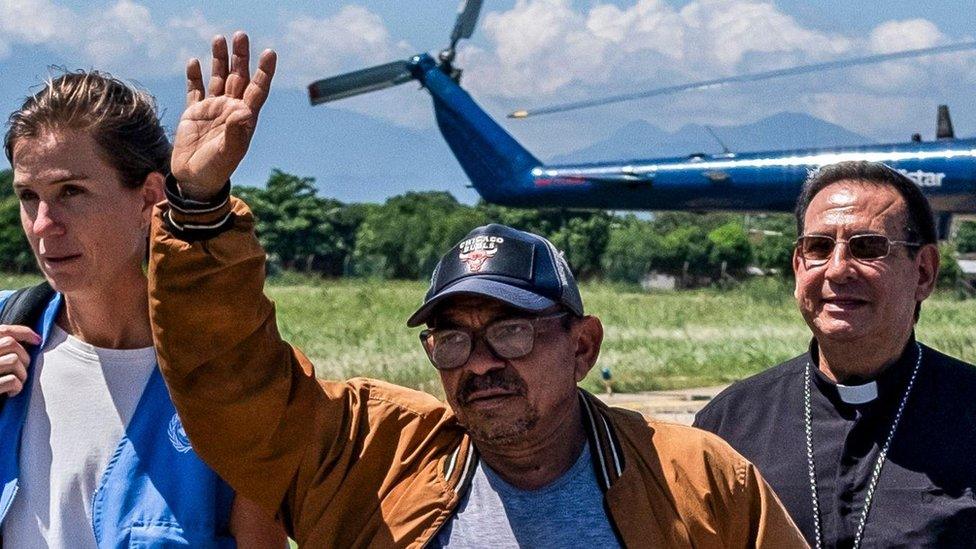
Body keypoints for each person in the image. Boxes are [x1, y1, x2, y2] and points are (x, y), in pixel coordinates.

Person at [146, 32, 807, 547]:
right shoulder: (366, 460)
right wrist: (199, 209)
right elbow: (229, 383)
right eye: (453, 338)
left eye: (511, 330)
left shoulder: (700, 481)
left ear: (584, 346)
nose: (481, 362)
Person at [0, 64, 285, 547]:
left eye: (71, 191)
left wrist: (200, 195)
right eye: (29, 196)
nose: (44, 224)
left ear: (149, 197)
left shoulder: (227, 381)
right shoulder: (11, 332)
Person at [695, 161, 976, 548]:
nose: (838, 269)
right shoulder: (729, 424)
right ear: (798, 267)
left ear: (924, 272)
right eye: (819, 247)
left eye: (867, 246)